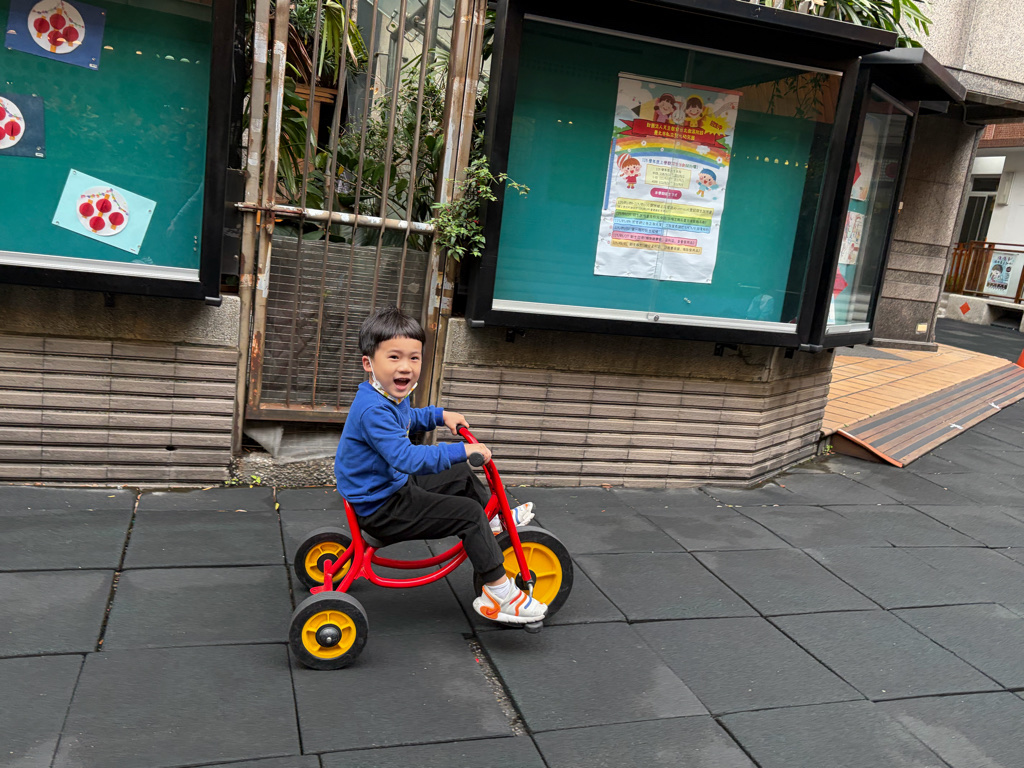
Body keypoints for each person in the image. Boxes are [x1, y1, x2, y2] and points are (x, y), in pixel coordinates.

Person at [334, 305, 546, 625]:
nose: (405, 367)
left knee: (458, 475)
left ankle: (491, 524)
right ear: (369, 363)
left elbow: (408, 417)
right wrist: (461, 450)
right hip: (382, 509)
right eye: (394, 357)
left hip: (385, 488)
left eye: (414, 358)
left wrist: (439, 415)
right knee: (469, 513)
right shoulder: (374, 410)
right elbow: (407, 458)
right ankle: (499, 593)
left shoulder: (386, 395)